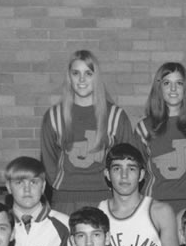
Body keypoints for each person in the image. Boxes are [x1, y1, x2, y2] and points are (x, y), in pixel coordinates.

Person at [40, 50, 135, 214]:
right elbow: (49, 160)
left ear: (96, 77)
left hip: (106, 198)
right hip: (64, 199)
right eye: (76, 73)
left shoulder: (115, 115)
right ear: (69, 78)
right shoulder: (54, 116)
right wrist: (60, 186)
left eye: (88, 73)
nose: (82, 79)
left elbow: (130, 159)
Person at [98, 143, 180, 246]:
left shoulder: (160, 212)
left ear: (142, 174)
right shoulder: (99, 212)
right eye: (117, 169)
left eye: (131, 169)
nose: (124, 175)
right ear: (107, 174)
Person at [134, 62, 186, 212]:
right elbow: (136, 172)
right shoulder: (144, 128)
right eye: (167, 83)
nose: (173, 89)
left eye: (179, 83)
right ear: (159, 88)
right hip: (154, 205)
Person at [4, 156, 71, 246]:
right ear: (8, 187)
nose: (27, 189)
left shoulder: (64, 224)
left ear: (44, 185)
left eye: (34, 182)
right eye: (19, 182)